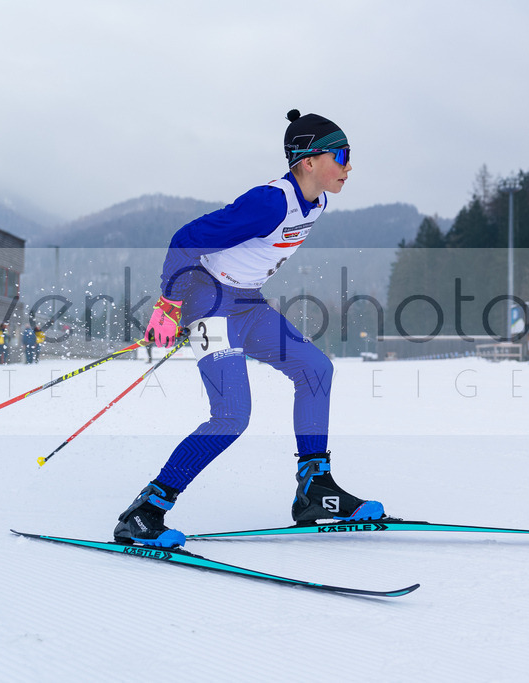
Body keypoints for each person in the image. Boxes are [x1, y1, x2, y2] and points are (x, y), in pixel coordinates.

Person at [114, 110, 384, 548]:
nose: (349, 166)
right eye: (342, 155)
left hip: (246, 304)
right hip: (207, 302)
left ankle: (315, 491)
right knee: (232, 415)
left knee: (316, 369)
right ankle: (144, 512)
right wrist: (168, 304)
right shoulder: (271, 201)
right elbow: (186, 239)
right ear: (308, 161)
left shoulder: (317, 201)